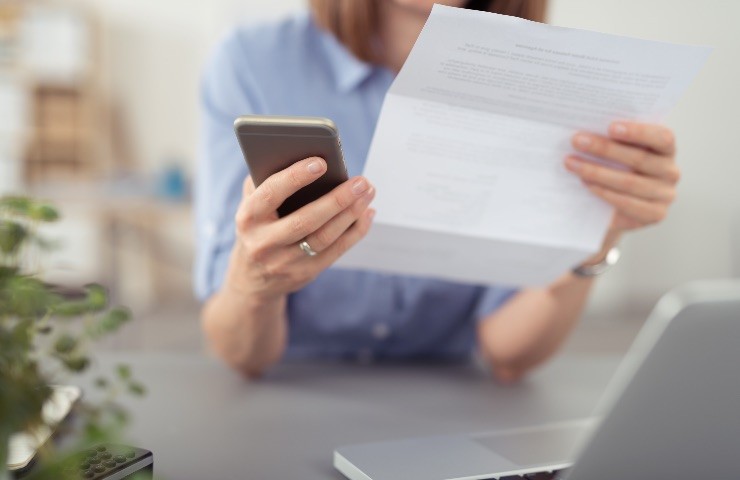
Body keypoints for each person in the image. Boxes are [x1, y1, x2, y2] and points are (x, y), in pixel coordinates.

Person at [194, 0, 680, 381]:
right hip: (285, 392)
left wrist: (598, 230)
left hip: (453, 407)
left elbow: (509, 351)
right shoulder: (251, 64)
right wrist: (251, 283)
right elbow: (239, 353)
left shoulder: (543, 82)